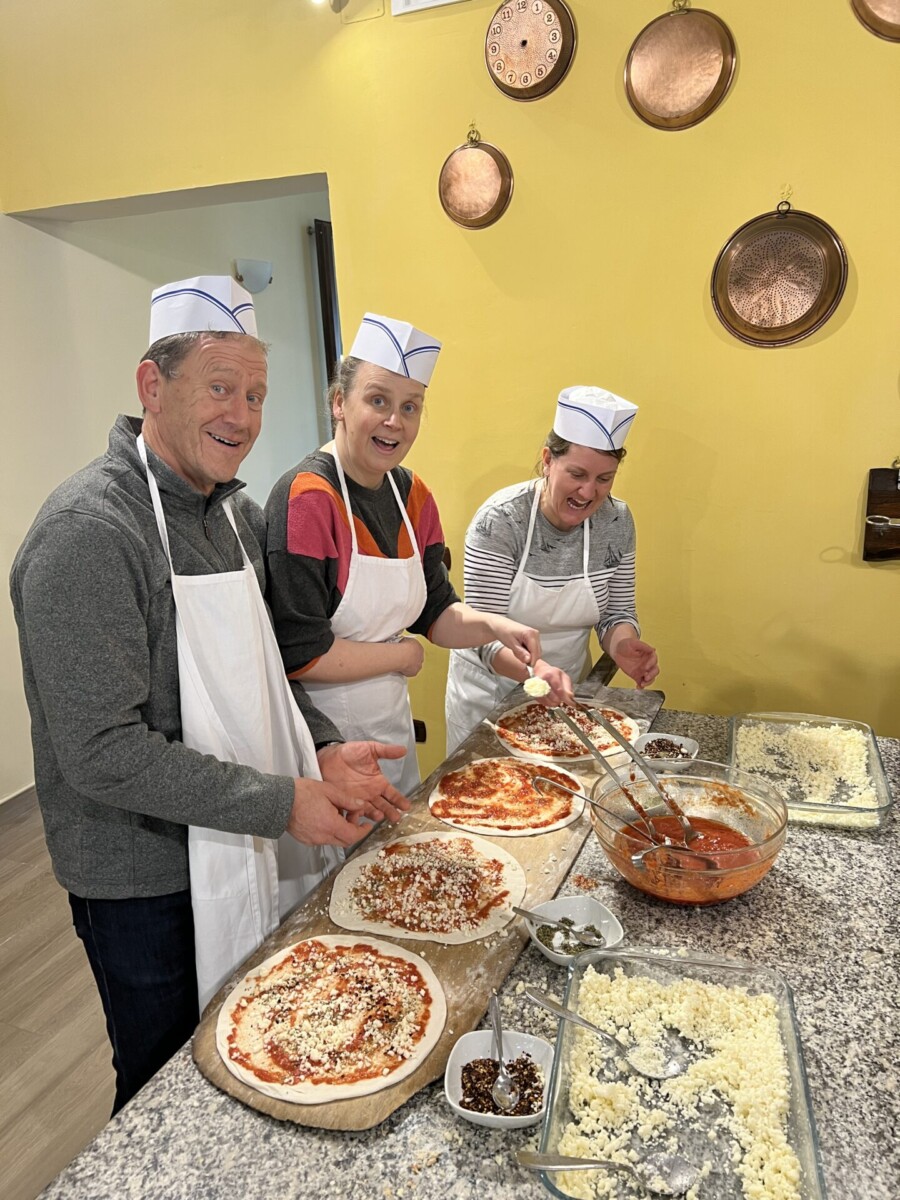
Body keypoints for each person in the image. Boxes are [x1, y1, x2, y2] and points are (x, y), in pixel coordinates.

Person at [9, 277, 409, 1114]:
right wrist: (282, 802)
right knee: (165, 1088)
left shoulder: (229, 516)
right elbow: (102, 754)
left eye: (257, 394)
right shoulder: (89, 534)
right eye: (220, 387)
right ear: (152, 387)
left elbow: (266, 666)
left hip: (241, 834)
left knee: (259, 1048)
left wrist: (322, 747)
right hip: (143, 874)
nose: (244, 416)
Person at [265, 312, 543, 793]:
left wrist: (498, 627)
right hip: (321, 743)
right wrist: (401, 656)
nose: (395, 422)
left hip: (391, 730)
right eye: (378, 400)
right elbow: (299, 654)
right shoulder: (308, 499)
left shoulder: (412, 495)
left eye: (410, 407)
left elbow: (436, 612)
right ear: (339, 403)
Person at [444, 385, 659, 752]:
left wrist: (621, 645)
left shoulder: (616, 522)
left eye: (604, 478)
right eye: (577, 474)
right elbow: (481, 632)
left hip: (566, 699)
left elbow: (616, 611)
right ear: (547, 460)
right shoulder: (501, 520)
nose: (588, 492)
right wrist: (536, 673)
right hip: (488, 698)